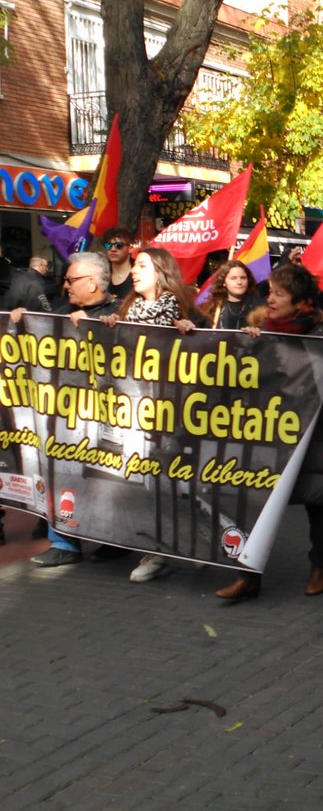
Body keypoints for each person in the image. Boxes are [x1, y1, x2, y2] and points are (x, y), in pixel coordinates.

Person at [215, 263, 323, 604]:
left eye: (279, 294)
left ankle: (320, 567)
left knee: (316, 501)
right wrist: (246, 348)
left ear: (300, 301)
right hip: (268, 434)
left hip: (310, 436)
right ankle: (248, 574)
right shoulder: (260, 331)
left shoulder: (321, 336)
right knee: (255, 505)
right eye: (270, 292)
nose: (270, 300)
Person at [100, 248, 200, 583]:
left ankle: (164, 550)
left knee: (163, 479)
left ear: (160, 271)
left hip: (169, 411)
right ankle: (164, 546)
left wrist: (192, 333)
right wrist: (108, 327)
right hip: (132, 408)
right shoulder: (126, 309)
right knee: (144, 481)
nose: (134, 271)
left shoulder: (180, 309)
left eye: (142, 265)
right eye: (134, 266)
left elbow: (211, 351)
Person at [22, 253, 121, 567]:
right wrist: (21, 320)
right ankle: (64, 542)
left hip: (108, 417)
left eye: (71, 280)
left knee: (106, 484)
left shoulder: (120, 312)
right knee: (61, 476)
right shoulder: (60, 312)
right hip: (65, 414)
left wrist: (95, 329)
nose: (65, 285)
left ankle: (114, 541)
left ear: (92, 283)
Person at [201, 259, 262, 329]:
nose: (239, 282)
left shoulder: (260, 306)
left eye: (243, 278)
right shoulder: (212, 307)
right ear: (223, 282)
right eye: (233, 278)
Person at [101, 228, 135, 300]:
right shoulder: (101, 274)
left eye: (119, 245)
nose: (113, 249)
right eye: (108, 245)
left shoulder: (139, 273)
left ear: (130, 248)